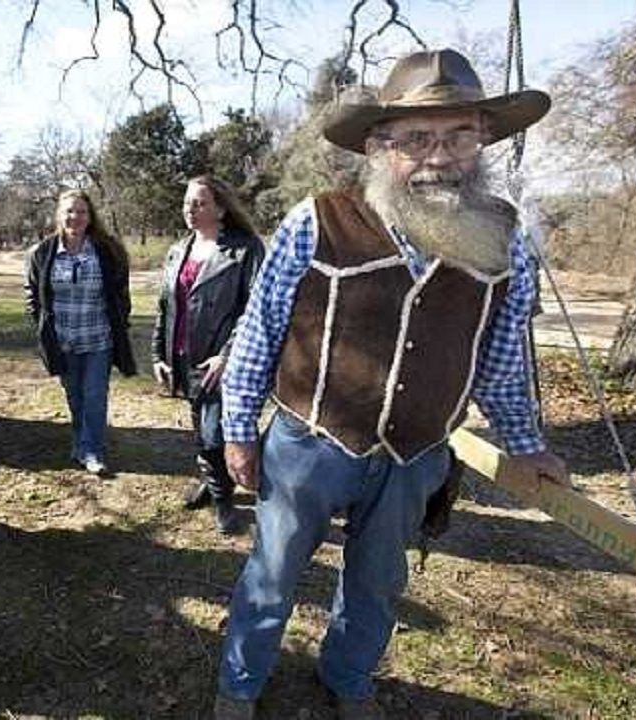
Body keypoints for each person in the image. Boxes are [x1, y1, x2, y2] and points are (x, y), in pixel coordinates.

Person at [213, 49, 570, 720]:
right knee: (273, 575)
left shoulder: (506, 241)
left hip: (416, 455)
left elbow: (500, 358)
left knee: (378, 583)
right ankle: (239, 684)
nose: (440, 155)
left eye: (459, 134)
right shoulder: (317, 220)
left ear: (483, 138)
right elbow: (258, 331)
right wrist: (237, 432)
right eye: (417, 139)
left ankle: (349, 679)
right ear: (379, 145)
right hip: (310, 445)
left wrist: (524, 445)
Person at [152, 176, 266, 535]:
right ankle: (212, 479)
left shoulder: (245, 250)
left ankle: (223, 502)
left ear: (220, 208)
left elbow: (256, 310)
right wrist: (159, 354)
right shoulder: (177, 250)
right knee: (200, 426)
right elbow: (164, 307)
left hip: (222, 362)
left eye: (199, 202)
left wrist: (227, 355)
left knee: (214, 434)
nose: (190, 208)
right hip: (184, 357)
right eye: (187, 202)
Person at [24, 190, 137, 476]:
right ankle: (81, 441)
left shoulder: (107, 249)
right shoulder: (43, 252)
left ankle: (93, 451)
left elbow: (121, 293)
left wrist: (121, 320)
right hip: (62, 341)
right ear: (59, 216)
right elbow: (33, 294)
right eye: (69, 211)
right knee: (75, 396)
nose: (75, 217)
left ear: (91, 216)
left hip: (99, 338)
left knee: (95, 396)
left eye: (82, 212)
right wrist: (42, 325)